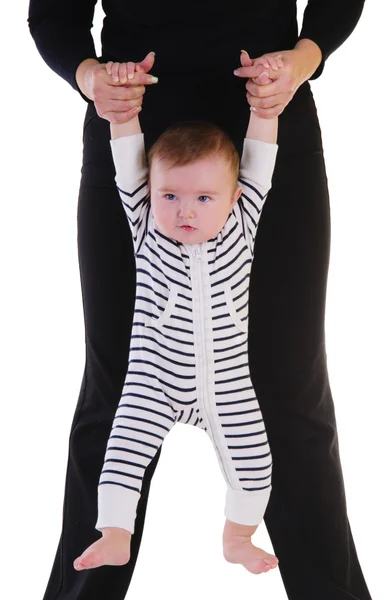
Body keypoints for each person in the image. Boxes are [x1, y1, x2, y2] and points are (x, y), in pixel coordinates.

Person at [27, 1, 373, 599]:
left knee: (291, 391)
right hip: (131, 109)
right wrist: (91, 79)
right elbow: (54, 12)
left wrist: (303, 60)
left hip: (268, 99)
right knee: (116, 391)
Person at [73, 52, 281, 575]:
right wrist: (123, 113)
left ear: (233, 199)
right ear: (151, 192)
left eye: (203, 198)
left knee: (256, 467)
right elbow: (126, 157)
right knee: (120, 455)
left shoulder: (243, 222)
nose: (185, 210)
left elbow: (260, 158)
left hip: (229, 382)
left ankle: (238, 537)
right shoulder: (146, 224)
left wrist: (266, 103)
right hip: (153, 379)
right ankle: (115, 534)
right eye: (171, 195)